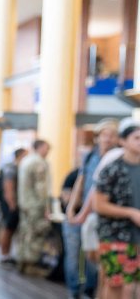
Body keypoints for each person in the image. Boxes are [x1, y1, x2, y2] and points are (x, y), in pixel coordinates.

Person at [64, 118, 119, 299]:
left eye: (112, 135)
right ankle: (74, 290)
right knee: (72, 255)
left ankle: (89, 290)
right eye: (104, 134)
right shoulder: (89, 156)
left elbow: (97, 190)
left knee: (93, 257)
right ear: (98, 136)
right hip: (81, 211)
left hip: (99, 215)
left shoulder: (117, 158)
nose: (108, 139)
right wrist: (71, 208)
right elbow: (81, 182)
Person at [92, 118, 140, 299]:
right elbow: (99, 204)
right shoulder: (112, 169)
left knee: (133, 285)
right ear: (123, 141)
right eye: (136, 138)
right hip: (115, 235)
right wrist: (131, 213)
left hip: (137, 237)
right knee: (115, 284)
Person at [17, 140, 53, 274]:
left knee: (25, 232)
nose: (48, 152)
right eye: (47, 148)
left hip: (25, 203)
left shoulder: (26, 161)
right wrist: (46, 207)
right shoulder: (39, 163)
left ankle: (22, 260)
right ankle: (31, 264)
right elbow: (41, 187)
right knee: (36, 234)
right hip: (35, 205)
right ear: (41, 148)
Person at [0, 148, 28, 265]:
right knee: (7, 229)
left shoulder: (16, 168)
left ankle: (7, 253)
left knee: (10, 229)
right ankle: (4, 254)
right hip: (9, 204)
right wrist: (12, 205)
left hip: (11, 203)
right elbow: (8, 187)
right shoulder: (11, 168)